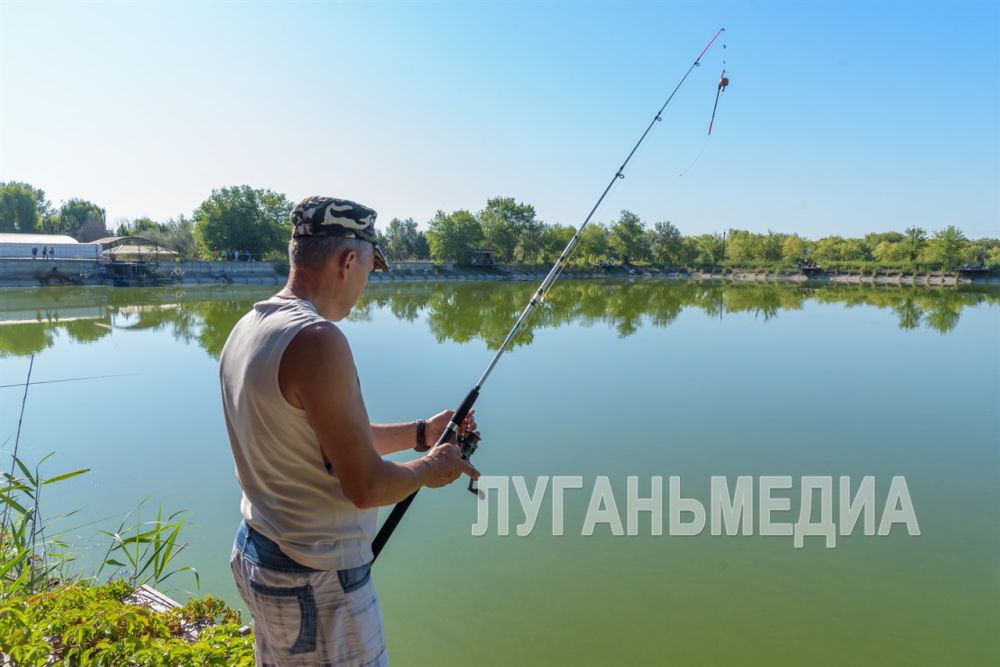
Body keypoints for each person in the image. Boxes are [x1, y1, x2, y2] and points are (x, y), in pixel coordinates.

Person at [220, 195, 478, 666]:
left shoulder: (250, 327)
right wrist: (430, 468)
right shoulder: (319, 341)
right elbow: (365, 485)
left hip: (260, 551)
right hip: (313, 580)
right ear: (348, 260)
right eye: (368, 271)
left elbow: (325, 441)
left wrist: (421, 433)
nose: (365, 286)